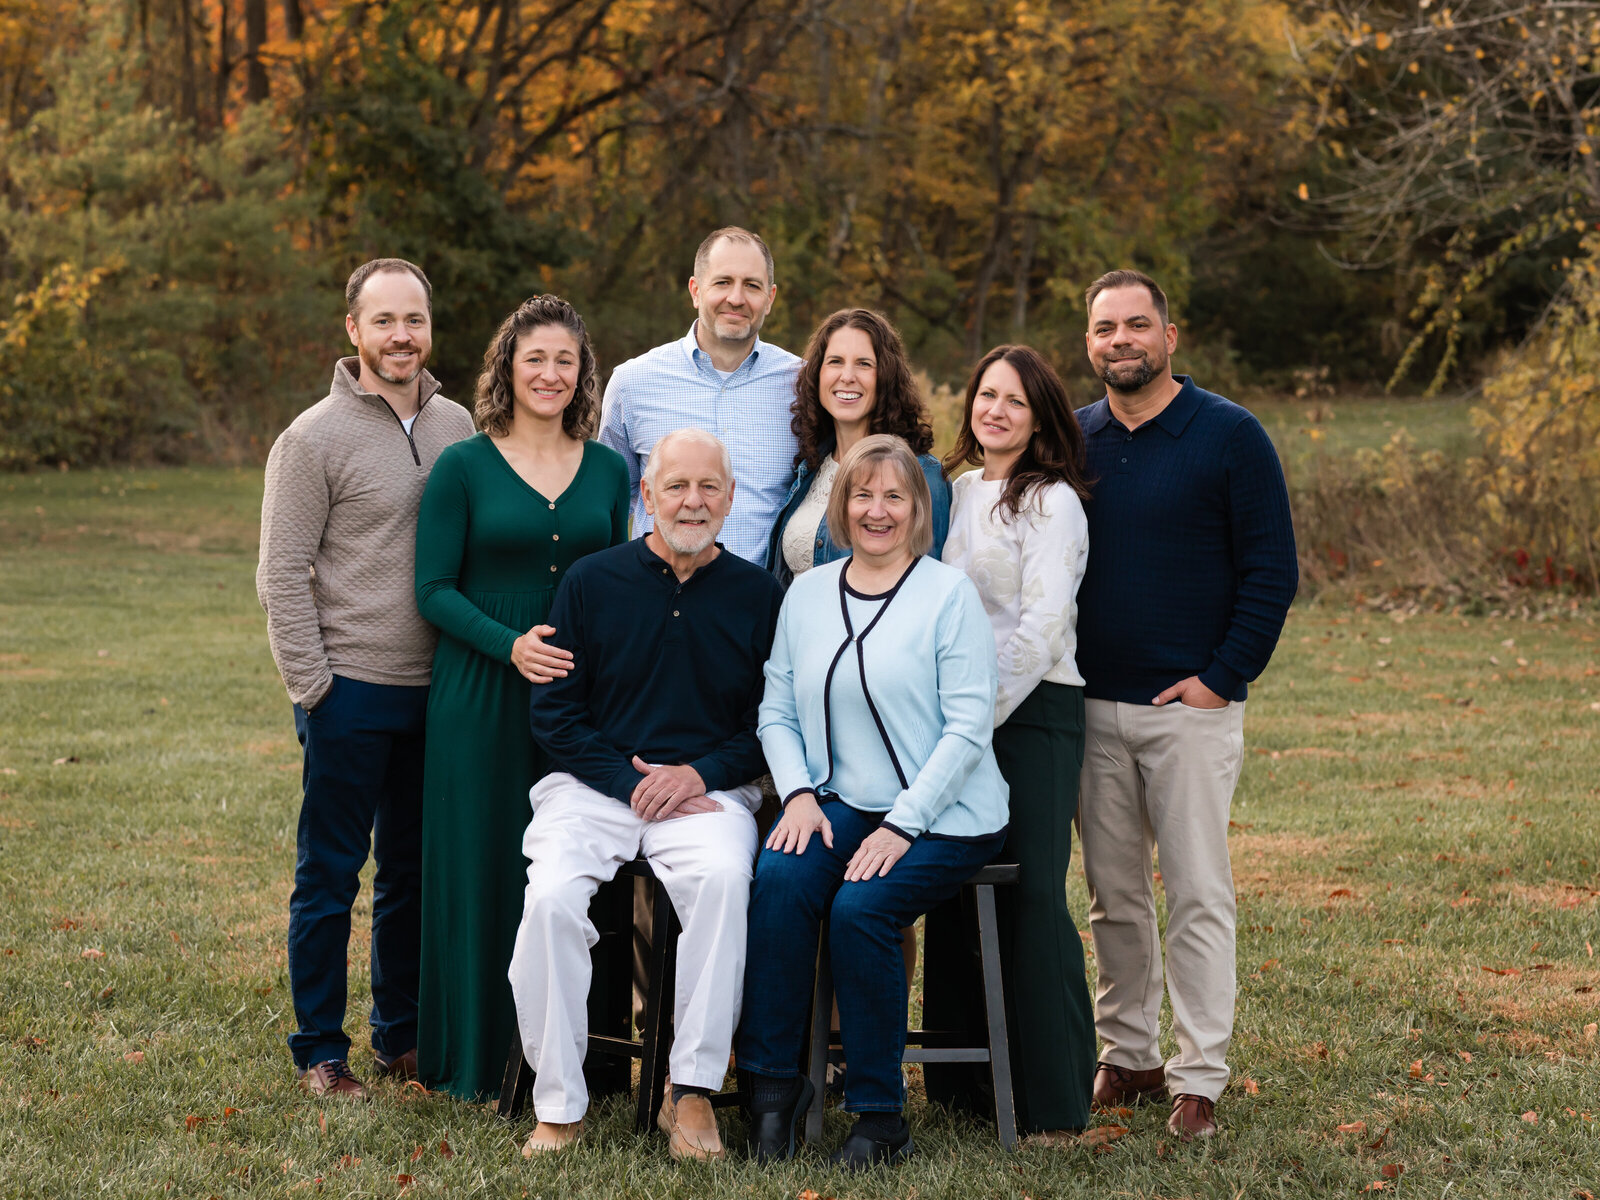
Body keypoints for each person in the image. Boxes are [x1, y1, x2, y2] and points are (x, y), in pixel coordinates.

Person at [507, 428, 783, 1161]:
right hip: (597, 785)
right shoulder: (591, 582)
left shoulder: (760, 596)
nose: (692, 501)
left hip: (705, 793)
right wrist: (631, 781)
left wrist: (696, 775)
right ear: (648, 496)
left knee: (725, 882)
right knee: (551, 899)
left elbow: (772, 724)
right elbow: (555, 716)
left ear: (729, 499)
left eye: (708, 488)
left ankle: (688, 1092)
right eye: (676, 487)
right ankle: (559, 1103)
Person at [737, 435, 1009, 1170]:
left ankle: (880, 1114)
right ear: (840, 508)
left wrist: (901, 825)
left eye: (895, 496)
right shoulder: (809, 594)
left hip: (946, 812)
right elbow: (777, 711)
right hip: (838, 801)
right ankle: (771, 1092)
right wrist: (795, 793)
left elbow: (966, 729)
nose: (877, 510)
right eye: (862, 495)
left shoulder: (947, 594)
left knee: (862, 910)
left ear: (919, 508)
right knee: (782, 880)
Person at [1073, 269, 1298, 1139]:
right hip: (1092, 706)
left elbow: (1271, 574)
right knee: (1112, 894)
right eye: (1104, 329)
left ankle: (1199, 1073)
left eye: (1136, 325)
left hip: (1191, 712)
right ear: (1088, 343)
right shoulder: (1076, 440)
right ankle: (1127, 1051)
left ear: (1170, 336)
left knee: (1198, 891)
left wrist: (1219, 679)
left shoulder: (1230, 437)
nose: (1120, 341)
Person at [257, 258, 475, 1098]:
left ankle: (401, 1035)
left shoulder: (459, 425)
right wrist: (315, 688)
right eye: (383, 321)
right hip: (349, 689)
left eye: (413, 319)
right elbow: (282, 574)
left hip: (441, 694)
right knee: (330, 875)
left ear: (429, 326)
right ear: (353, 330)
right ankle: (319, 1047)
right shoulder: (310, 438)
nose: (401, 336)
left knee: (413, 874)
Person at [412, 296, 631, 1101]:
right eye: (534, 359)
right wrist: (509, 645)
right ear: (507, 366)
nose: (549, 374)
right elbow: (431, 589)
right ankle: (478, 1058)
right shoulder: (464, 466)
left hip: (581, 704)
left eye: (564, 361)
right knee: (487, 866)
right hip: (479, 694)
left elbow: (622, 586)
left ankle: (582, 1060)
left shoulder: (609, 469)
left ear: (583, 374)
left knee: (575, 874)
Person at [923, 344, 1097, 1140]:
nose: (995, 410)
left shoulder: (1052, 501)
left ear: (1041, 420)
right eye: (986, 395)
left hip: (1031, 715)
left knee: (1028, 893)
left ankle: (1053, 1097)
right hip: (954, 719)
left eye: (1015, 402)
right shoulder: (955, 492)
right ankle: (966, 1093)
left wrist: (973, 716)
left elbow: (1043, 625)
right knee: (957, 888)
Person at [599, 226, 801, 568]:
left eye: (752, 285)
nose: (736, 298)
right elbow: (609, 506)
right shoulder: (633, 383)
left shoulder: (802, 385)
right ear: (695, 290)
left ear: (770, 298)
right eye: (722, 282)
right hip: (657, 603)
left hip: (763, 609)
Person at [767, 307, 950, 586]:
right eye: (835, 362)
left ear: (885, 377)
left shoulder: (922, 474)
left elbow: (928, 588)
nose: (847, 376)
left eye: (864, 364)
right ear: (817, 374)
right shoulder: (810, 468)